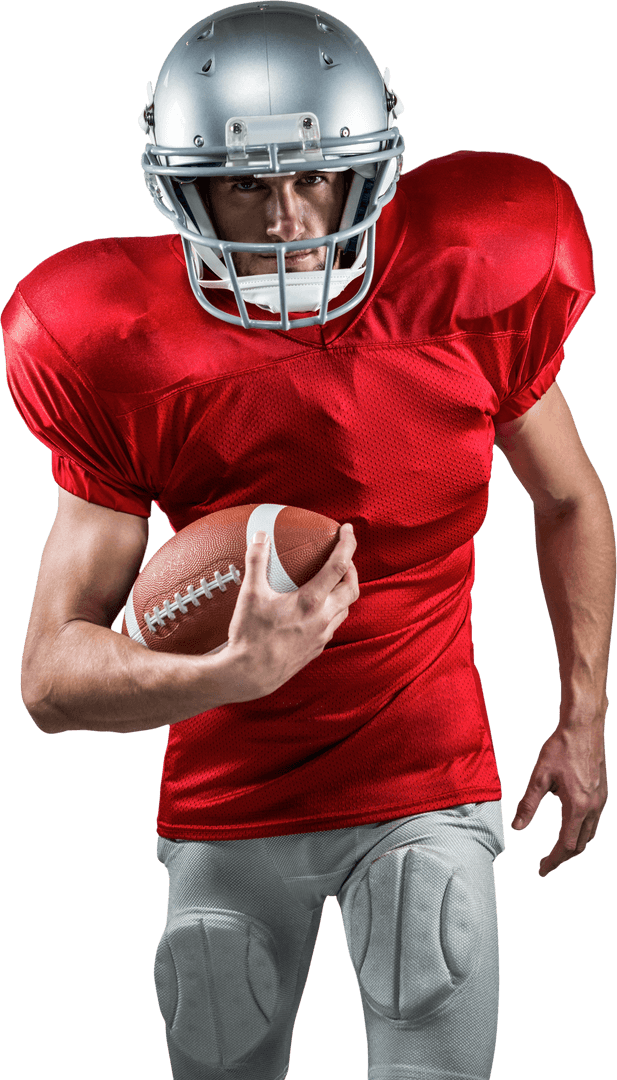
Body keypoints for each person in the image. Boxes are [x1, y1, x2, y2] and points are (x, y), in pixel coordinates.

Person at [2, 3, 613, 1079]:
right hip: (229, 795)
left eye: (315, 177)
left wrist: (580, 720)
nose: (287, 221)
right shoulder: (119, 349)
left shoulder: (467, 286)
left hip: (425, 771)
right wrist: (229, 673)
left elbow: (566, 501)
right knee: (219, 1047)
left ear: (368, 170)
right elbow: (50, 677)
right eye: (246, 183)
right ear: (184, 189)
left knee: (432, 1009)